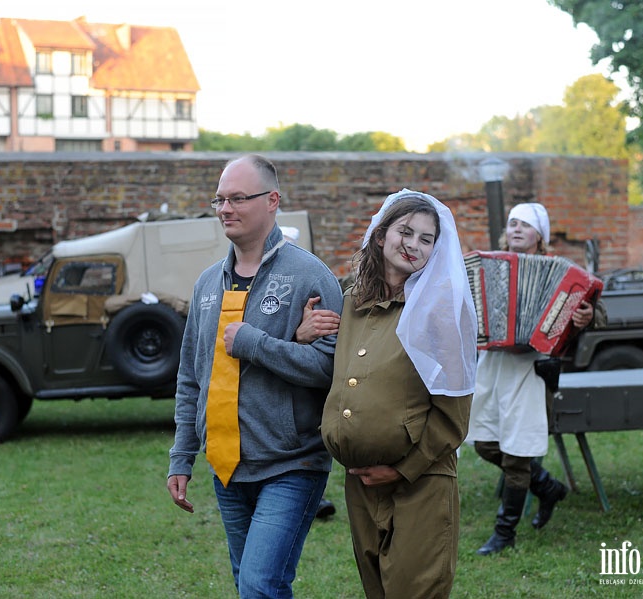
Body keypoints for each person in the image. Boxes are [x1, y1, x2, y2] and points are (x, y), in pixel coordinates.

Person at [166, 154, 344, 598]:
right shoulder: (208, 284)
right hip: (226, 468)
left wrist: (253, 343)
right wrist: (182, 456)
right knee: (251, 585)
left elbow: (331, 370)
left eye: (238, 198)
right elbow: (192, 377)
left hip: (291, 464)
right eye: (220, 199)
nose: (226, 208)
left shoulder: (310, 277)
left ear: (272, 200)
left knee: (260, 584)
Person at [299, 189, 478, 598]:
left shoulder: (441, 313)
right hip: (360, 485)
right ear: (381, 236)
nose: (414, 245)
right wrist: (301, 332)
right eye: (406, 231)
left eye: (426, 239)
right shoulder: (351, 304)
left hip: (420, 483)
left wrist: (401, 469)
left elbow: (454, 415)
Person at [466, 202, 606, 556]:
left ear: (539, 235)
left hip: (532, 368)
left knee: (517, 453)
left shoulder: (562, 272)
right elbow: (466, 302)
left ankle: (504, 533)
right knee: (483, 441)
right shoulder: (488, 265)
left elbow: (598, 313)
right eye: (512, 223)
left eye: (525, 225)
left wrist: (587, 316)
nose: (516, 229)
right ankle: (547, 488)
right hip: (493, 362)